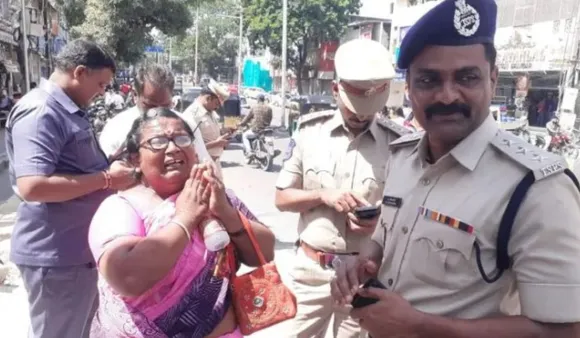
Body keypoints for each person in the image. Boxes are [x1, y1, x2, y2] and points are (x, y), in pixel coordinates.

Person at [331, 1, 580, 337]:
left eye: (466, 77)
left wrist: (420, 326)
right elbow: (384, 236)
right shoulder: (403, 157)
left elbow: (564, 330)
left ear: (492, 79)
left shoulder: (536, 188)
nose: (447, 96)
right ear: (410, 89)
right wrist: (361, 261)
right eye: (429, 80)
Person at [88, 107, 275, 337]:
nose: (173, 148)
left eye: (182, 139)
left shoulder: (218, 197)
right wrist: (185, 219)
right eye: (158, 142)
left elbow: (264, 253)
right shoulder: (121, 207)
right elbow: (127, 277)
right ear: (136, 158)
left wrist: (226, 212)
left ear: (195, 152)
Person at [274, 39, 410, 338]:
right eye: (354, 108)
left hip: (364, 276)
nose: (361, 116)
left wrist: (379, 222)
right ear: (336, 90)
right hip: (311, 274)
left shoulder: (400, 144)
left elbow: (411, 213)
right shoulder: (310, 133)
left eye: (368, 109)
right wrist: (323, 195)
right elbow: (281, 198)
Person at [5, 39, 137, 338]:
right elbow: (32, 186)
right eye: (101, 83)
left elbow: (74, 168)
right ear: (79, 72)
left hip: (75, 253)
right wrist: (106, 179)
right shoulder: (41, 112)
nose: (103, 91)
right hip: (55, 255)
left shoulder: (67, 110)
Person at [99, 64, 210, 163]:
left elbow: (206, 166)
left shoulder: (187, 125)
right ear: (134, 95)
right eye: (150, 106)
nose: (158, 114)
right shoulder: (115, 129)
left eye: (165, 106)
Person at [182, 79, 231, 177]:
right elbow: (189, 147)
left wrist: (223, 132)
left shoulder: (210, 111)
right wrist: (216, 143)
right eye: (216, 104)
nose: (217, 108)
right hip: (202, 166)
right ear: (208, 98)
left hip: (214, 163)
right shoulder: (192, 115)